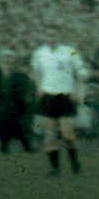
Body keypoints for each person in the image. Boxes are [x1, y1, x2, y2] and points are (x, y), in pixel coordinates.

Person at [30, 39, 89, 174]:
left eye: (54, 34)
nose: (51, 38)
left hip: (66, 95)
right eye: (49, 35)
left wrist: (78, 90)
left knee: (67, 134)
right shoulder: (39, 53)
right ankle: (55, 168)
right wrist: (38, 87)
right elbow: (35, 72)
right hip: (48, 96)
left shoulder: (71, 51)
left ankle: (74, 162)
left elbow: (81, 72)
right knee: (50, 134)